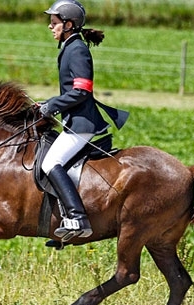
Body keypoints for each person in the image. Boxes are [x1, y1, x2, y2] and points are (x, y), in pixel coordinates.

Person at [38, 0, 128, 243]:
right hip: (74, 121)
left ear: (68, 24)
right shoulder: (69, 47)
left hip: (82, 125)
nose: (50, 27)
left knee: (51, 163)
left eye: (54, 22)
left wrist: (51, 106)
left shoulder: (76, 49)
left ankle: (77, 217)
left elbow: (81, 91)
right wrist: (47, 103)